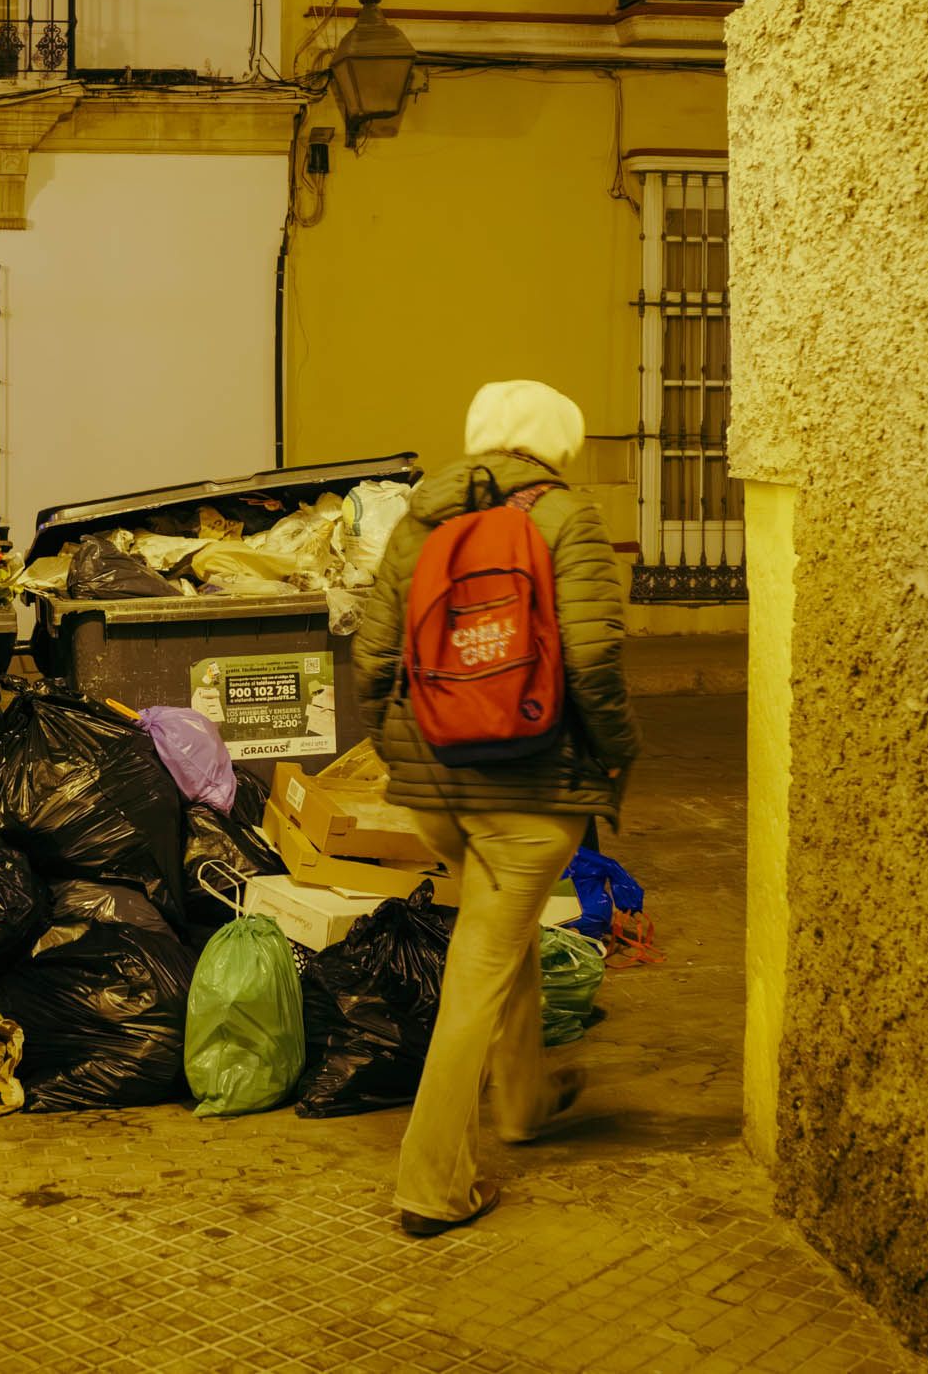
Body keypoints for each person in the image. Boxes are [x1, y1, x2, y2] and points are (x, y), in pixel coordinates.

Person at [353, 379, 639, 1238]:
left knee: (497, 936)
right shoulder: (568, 519)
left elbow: (370, 655)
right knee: (476, 972)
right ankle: (434, 1184)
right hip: (532, 784)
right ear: (560, 441)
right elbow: (592, 663)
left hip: (439, 788)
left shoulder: (421, 517)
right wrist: (618, 752)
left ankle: (526, 1102)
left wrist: (407, 745)